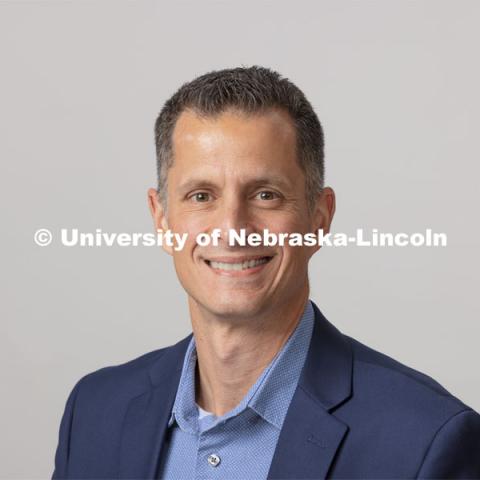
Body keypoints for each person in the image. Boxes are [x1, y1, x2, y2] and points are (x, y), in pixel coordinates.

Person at [52, 66, 480, 479]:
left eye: (265, 195)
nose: (234, 229)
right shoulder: (93, 412)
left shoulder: (426, 440)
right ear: (162, 221)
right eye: (202, 196)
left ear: (319, 218)